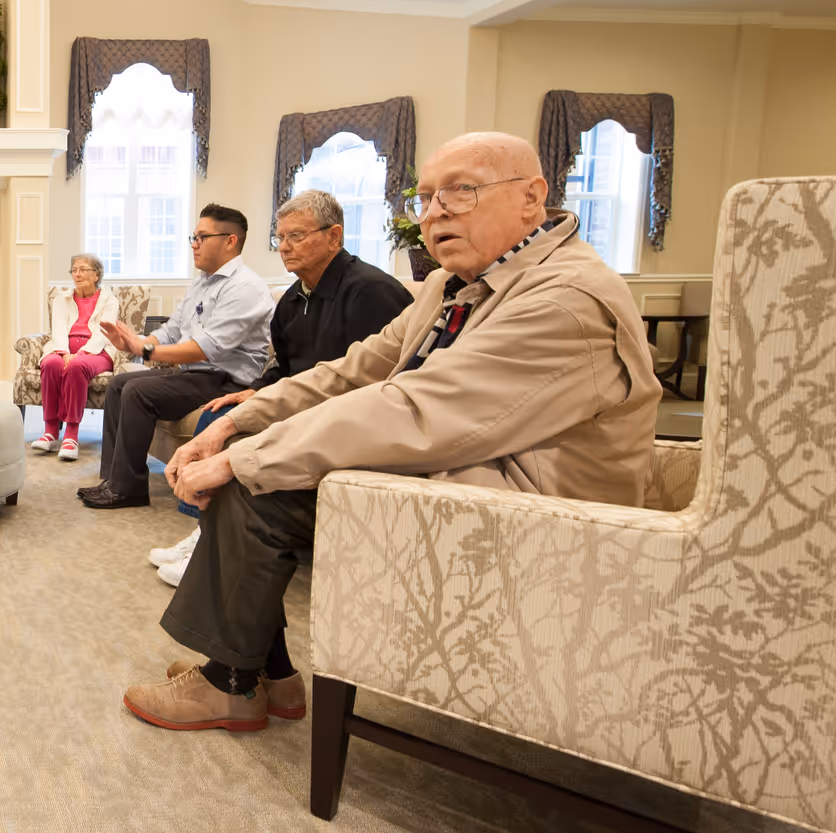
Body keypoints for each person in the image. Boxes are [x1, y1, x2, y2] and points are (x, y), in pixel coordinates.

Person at [122, 132, 662, 733]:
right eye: (427, 198)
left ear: (533, 196)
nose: (434, 214)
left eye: (460, 192)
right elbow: (353, 370)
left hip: (537, 525)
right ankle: (263, 676)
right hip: (459, 473)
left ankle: (231, 684)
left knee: (257, 484)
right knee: (255, 466)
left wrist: (244, 457)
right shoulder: (450, 286)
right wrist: (240, 425)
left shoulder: (564, 299)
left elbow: (415, 407)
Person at [148, 189, 412, 584]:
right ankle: (206, 535)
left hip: (348, 414)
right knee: (219, 414)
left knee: (238, 444)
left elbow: (370, 379)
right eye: (280, 238)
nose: (285, 247)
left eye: (297, 236)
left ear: (334, 236)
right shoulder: (291, 301)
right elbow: (284, 368)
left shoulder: (370, 292)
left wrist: (273, 400)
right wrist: (255, 390)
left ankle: (217, 549)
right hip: (299, 401)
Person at [79, 204, 273, 509]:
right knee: (119, 384)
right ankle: (114, 481)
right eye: (192, 237)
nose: (193, 245)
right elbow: (172, 330)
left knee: (137, 391)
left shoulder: (245, 287)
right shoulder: (201, 283)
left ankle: (128, 490)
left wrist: (145, 349)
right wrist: (136, 343)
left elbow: (205, 347)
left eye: (201, 237)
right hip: (196, 375)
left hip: (228, 381)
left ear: (230, 240)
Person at [30, 252, 119, 462]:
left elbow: (104, 333)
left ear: (96, 275)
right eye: (74, 270)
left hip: (97, 351)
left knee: (77, 367)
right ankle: (50, 431)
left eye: (83, 270)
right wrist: (63, 352)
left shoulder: (109, 300)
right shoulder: (62, 298)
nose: (77, 274)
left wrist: (81, 353)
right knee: (51, 363)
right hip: (65, 348)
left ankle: (71, 435)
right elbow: (58, 329)